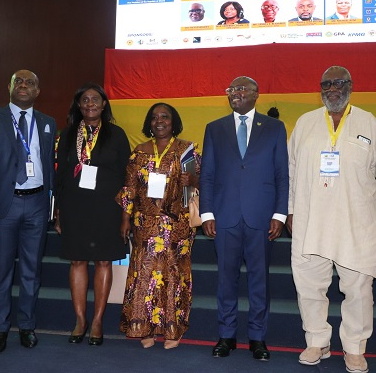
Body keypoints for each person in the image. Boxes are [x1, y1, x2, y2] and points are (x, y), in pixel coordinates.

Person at [287, 66, 376, 373]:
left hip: (356, 224)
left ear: (350, 86)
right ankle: (317, 341)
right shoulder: (306, 122)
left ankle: (354, 347)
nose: (332, 89)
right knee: (309, 284)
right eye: (326, 84)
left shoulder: (368, 122)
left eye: (339, 83)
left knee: (358, 289)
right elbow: (291, 171)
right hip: (311, 220)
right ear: (320, 89)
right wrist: (292, 209)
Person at [200, 76, 288, 361]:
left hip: (262, 218)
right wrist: (207, 212)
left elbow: (281, 174)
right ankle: (226, 336)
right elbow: (208, 174)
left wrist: (279, 214)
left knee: (259, 281)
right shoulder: (214, 129)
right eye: (231, 90)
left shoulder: (274, 128)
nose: (235, 94)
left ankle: (257, 338)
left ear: (256, 94)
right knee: (226, 280)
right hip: (224, 216)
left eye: (242, 89)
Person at [0, 70, 57, 353]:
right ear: (8, 87)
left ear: (37, 91)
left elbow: (48, 166)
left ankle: (28, 326)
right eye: (17, 81)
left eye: (29, 82)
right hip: (1, 207)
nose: (23, 86)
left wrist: (52, 207)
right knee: (0, 272)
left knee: (32, 271)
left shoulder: (47, 123)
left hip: (37, 205)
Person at [117, 103, 201, 350]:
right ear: (149, 123)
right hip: (146, 224)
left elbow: (204, 184)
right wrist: (125, 219)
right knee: (145, 276)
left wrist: (193, 180)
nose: (159, 121)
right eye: (154, 118)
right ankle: (145, 326)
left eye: (165, 117)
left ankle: (173, 329)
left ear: (173, 121)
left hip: (178, 225)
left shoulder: (187, 151)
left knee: (175, 276)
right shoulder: (139, 152)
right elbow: (129, 189)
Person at [54, 83, 130, 346]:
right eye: (84, 100)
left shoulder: (117, 135)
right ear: (78, 105)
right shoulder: (67, 134)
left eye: (95, 99)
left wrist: (125, 215)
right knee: (76, 261)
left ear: (104, 104)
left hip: (107, 208)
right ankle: (80, 320)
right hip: (74, 206)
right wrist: (59, 210)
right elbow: (60, 176)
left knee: (103, 262)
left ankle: (97, 321)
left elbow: (127, 177)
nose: (90, 104)